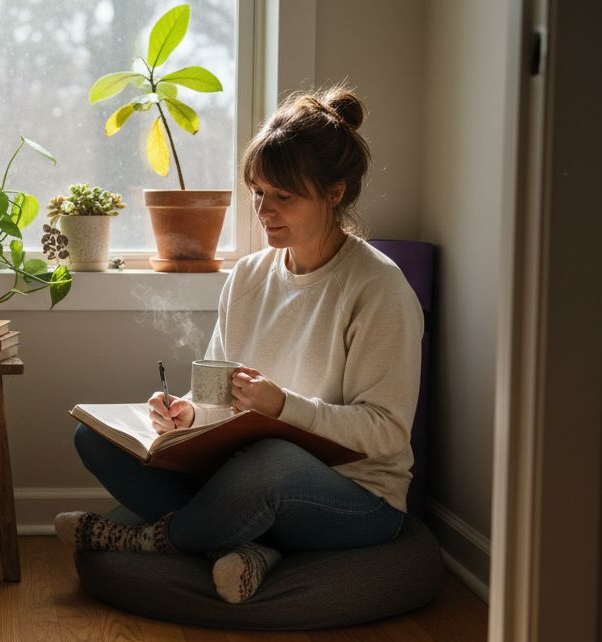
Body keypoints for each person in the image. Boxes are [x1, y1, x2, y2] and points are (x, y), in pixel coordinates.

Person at [56, 86, 424, 604]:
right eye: (257, 192)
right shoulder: (249, 276)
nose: (263, 211)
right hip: (243, 478)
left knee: (273, 461)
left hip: (353, 496)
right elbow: (215, 395)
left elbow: (386, 433)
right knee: (92, 437)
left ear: (335, 193)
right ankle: (251, 547)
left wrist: (285, 408)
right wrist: (185, 414)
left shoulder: (378, 289)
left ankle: (154, 541)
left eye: (284, 197)